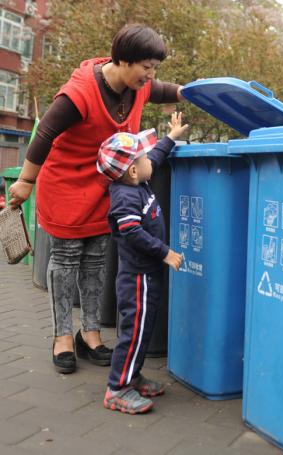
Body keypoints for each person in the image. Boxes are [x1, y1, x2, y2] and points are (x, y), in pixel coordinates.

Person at [7, 24, 187, 374]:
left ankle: (89, 333)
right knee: (65, 260)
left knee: (96, 261)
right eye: (146, 67)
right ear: (124, 61)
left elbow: (162, 90)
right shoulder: (80, 92)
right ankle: (61, 335)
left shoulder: (138, 86)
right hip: (67, 185)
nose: (151, 75)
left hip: (105, 185)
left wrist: (190, 92)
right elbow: (45, 133)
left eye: (155, 68)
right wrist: (26, 180)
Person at [97, 112, 186, 414]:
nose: (151, 159)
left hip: (147, 275)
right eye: (144, 157)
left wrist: (171, 137)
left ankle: (132, 377)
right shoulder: (125, 197)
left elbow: (155, 158)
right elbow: (132, 233)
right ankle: (117, 388)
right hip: (137, 279)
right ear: (133, 170)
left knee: (143, 330)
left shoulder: (136, 181)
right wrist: (165, 252)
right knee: (133, 332)